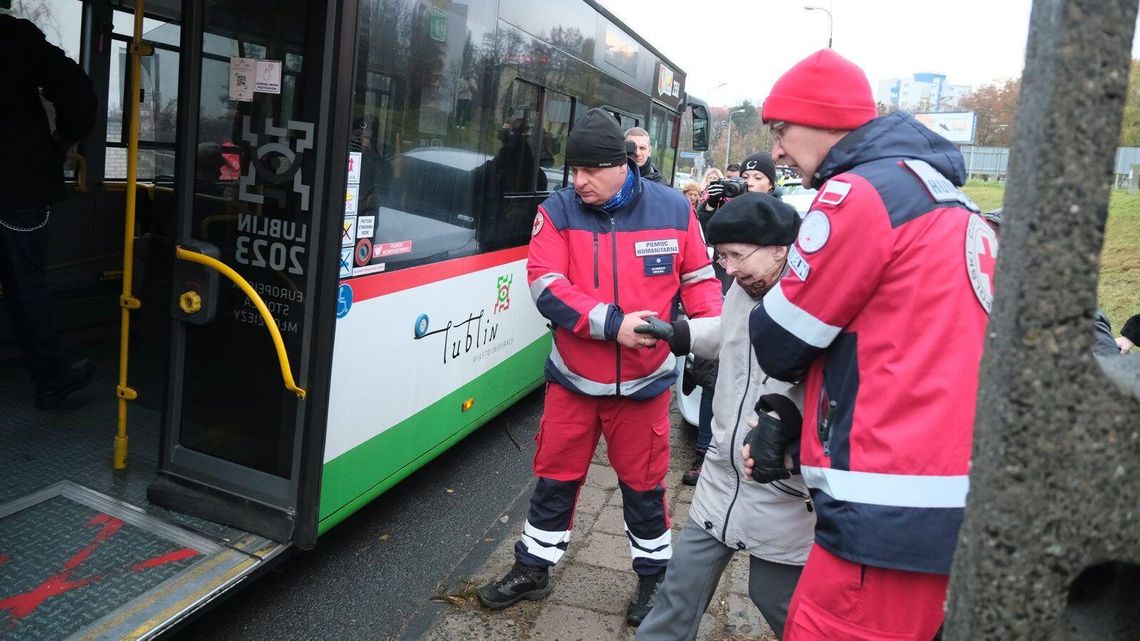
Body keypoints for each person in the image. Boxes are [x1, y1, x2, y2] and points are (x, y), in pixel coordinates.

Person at [745, 49, 990, 640]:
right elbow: (902, 347)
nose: (777, 151)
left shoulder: (860, 195)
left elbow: (778, 341)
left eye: (781, 130)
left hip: (887, 512)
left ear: (825, 121)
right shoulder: (944, 194)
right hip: (947, 495)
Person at [477, 108, 723, 626]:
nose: (579, 181)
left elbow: (699, 281)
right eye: (575, 170)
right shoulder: (557, 212)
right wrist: (613, 325)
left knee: (644, 486)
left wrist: (710, 337)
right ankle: (533, 567)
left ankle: (654, 577)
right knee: (554, 477)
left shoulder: (673, 208)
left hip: (644, 383)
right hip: (573, 381)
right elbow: (545, 286)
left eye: (590, 170)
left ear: (621, 165)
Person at [634, 193, 816, 641]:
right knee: (679, 592)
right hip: (721, 476)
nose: (728, 269)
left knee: (776, 598)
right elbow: (731, 332)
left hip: (781, 490)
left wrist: (792, 420)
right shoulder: (746, 287)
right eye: (722, 257)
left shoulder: (817, 302)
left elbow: (842, 385)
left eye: (736, 256)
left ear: (780, 249)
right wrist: (680, 332)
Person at [0, 14, 98, 409]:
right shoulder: (13, 37)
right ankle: (52, 380)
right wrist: (63, 138)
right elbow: (76, 88)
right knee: (25, 289)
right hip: (16, 183)